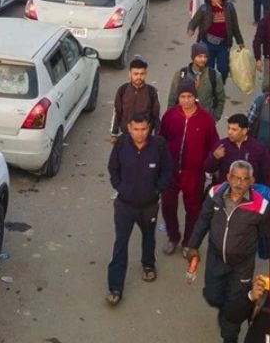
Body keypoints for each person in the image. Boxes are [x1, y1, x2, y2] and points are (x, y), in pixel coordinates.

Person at [188, 160, 270, 343]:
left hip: (242, 265)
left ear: (252, 181)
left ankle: (229, 335)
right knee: (212, 296)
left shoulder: (261, 206)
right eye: (235, 178)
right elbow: (203, 219)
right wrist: (193, 246)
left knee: (234, 308)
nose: (239, 183)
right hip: (216, 258)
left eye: (244, 179)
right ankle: (227, 311)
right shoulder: (214, 194)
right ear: (228, 177)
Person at [106, 112, 173, 305]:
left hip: (149, 206)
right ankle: (115, 287)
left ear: (149, 128)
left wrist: (157, 189)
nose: (140, 133)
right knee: (120, 244)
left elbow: (167, 170)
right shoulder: (121, 144)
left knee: (149, 236)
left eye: (144, 129)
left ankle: (148, 265)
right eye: (136, 129)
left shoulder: (158, 146)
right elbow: (113, 168)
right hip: (124, 205)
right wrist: (120, 187)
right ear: (129, 128)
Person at [160, 79, 220, 256]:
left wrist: (212, 165)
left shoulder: (206, 120)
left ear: (196, 97)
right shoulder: (170, 116)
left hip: (194, 173)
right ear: (178, 97)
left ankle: (188, 242)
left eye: (189, 96)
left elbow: (214, 145)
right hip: (170, 172)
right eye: (182, 96)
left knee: (193, 209)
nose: (186, 100)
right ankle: (173, 237)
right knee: (168, 206)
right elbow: (161, 140)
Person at [189, 0, 245, 88]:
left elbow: (235, 25)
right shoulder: (204, 8)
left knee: (223, 68)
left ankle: (220, 85)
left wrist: (240, 41)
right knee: (208, 68)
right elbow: (195, 20)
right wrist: (191, 29)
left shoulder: (229, 8)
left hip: (223, 44)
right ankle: (209, 87)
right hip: (207, 44)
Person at [168, 42, 227, 120]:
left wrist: (215, 118)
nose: (203, 59)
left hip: (204, 120)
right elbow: (173, 97)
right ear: (193, 57)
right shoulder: (181, 74)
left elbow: (220, 99)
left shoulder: (214, 75)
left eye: (205, 57)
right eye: (200, 56)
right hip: (182, 118)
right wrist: (170, 117)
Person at [207, 114, 268, 184]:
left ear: (244, 131)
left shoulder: (258, 148)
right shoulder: (221, 145)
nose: (229, 132)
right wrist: (214, 157)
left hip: (248, 190)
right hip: (225, 190)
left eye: (234, 129)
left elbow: (266, 173)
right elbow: (209, 169)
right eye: (229, 128)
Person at [111, 57, 161, 139]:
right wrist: (114, 133)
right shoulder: (122, 90)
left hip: (145, 138)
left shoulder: (152, 92)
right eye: (136, 74)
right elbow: (117, 112)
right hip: (126, 136)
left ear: (146, 74)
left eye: (142, 74)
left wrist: (157, 138)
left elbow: (157, 117)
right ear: (129, 74)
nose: (139, 77)